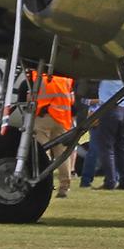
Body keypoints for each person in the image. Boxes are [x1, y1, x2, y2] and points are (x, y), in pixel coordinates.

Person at [30, 70, 75, 198]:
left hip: (43, 118)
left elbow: (30, 97)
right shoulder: (66, 78)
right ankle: (64, 187)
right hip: (62, 119)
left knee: (42, 152)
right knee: (62, 154)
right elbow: (72, 100)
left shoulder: (37, 76)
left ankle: (44, 183)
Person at [95, 77, 124, 190]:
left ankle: (110, 180)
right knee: (122, 147)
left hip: (110, 109)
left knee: (107, 146)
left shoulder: (107, 76)